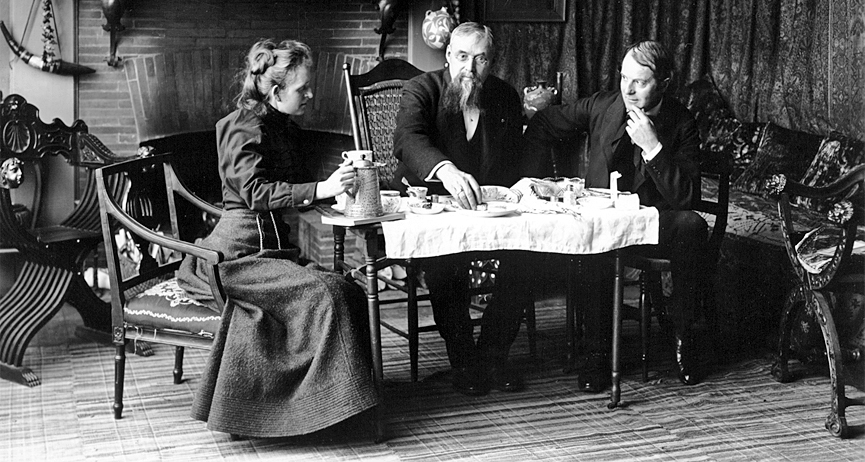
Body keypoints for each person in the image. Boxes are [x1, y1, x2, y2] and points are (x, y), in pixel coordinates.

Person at [176, 39, 379, 438]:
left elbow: (291, 189)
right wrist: (321, 188)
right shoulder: (241, 126)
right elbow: (255, 194)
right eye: (302, 88)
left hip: (272, 250)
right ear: (275, 92)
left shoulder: (279, 127)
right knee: (325, 294)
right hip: (234, 257)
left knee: (347, 289)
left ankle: (337, 403)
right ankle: (298, 411)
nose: (310, 94)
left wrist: (338, 195)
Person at [522, 40, 707, 390]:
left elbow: (686, 197)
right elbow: (544, 123)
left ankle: (686, 341)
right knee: (595, 238)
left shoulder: (681, 122)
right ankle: (597, 354)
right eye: (624, 77)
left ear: (665, 82)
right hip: (602, 221)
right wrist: (539, 181)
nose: (629, 88)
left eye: (641, 82)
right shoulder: (603, 105)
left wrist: (653, 147)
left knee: (692, 225)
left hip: (650, 222)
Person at [391, 22, 532, 396]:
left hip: (488, 210)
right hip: (432, 207)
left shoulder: (504, 95)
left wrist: (523, 187)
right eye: (463, 57)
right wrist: (446, 170)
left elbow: (515, 161)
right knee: (444, 264)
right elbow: (407, 139)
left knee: (527, 258)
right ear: (449, 55)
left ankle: (493, 354)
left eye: (481, 59)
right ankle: (464, 362)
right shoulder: (421, 89)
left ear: (491, 62)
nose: (470, 69)